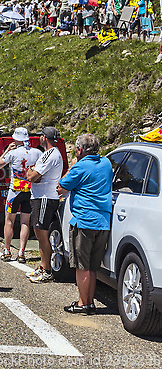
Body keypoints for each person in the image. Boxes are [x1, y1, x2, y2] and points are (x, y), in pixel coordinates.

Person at [57, 134, 112, 314]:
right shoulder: (106, 164)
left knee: (82, 266)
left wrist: (72, 165)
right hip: (103, 222)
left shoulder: (80, 167)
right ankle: (89, 302)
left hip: (84, 220)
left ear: (79, 150)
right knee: (93, 267)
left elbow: (61, 187)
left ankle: (83, 303)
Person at [0, 128, 42, 263]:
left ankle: (7, 250)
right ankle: (22, 252)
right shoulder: (37, 153)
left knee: (9, 221)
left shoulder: (13, 152)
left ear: (16, 139)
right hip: (30, 191)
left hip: (15, 191)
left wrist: (7, 150)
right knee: (25, 222)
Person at [25, 127, 63, 283]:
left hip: (44, 198)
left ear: (44, 138)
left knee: (41, 234)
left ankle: (46, 269)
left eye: (41, 136)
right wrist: (33, 172)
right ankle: (43, 266)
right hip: (41, 197)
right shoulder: (50, 154)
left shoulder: (50, 154)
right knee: (40, 233)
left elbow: (33, 176)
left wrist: (30, 170)